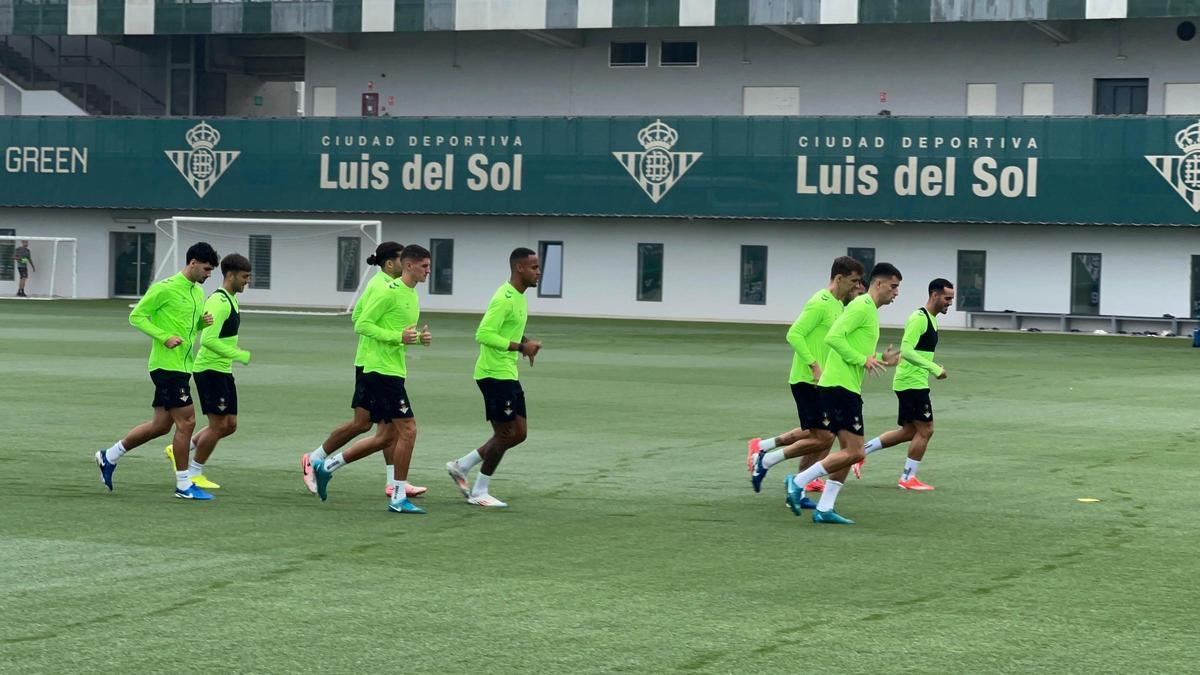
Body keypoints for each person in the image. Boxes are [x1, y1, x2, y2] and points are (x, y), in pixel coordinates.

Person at [312, 244, 433, 514]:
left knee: (386, 436)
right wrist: (397, 337)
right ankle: (398, 497)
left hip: (395, 370)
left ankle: (327, 467)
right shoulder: (387, 291)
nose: (429, 270)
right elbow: (362, 323)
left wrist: (415, 339)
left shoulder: (412, 295)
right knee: (408, 430)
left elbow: (398, 333)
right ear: (409, 265)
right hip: (380, 371)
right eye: (424, 266)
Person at [95, 242, 218, 500]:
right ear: (192, 262)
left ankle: (109, 456)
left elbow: (186, 330)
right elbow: (136, 316)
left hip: (182, 366)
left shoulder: (197, 293)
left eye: (211, 271)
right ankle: (184, 485)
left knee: (161, 426)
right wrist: (163, 337)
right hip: (165, 366)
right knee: (187, 422)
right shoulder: (165, 288)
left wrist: (200, 324)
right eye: (206, 269)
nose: (209, 275)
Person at [783, 262, 903, 525]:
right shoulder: (861, 307)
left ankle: (825, 508)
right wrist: (863, 360)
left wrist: (881, 358)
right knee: (855, 452)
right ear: (879, 284)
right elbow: (833, 337)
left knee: (850, 451)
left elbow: (854, 347)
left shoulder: (868, 310)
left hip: (845, 386)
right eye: (893, 287)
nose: (896, 293)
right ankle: (799, 481)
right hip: (839, 387)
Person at [747, 257, 865, 505]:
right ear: (838, 278)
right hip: (806, 379)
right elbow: (794, 334)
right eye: (853, 281)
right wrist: (813, 365)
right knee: (823, 437)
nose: (856, 286)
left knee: (823, 435)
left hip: (823, 382)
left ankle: (797, 490)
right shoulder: (819, 303)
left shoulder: (838, 305)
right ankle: (765, 459)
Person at [445, 247, 542, 508]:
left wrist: (525, 341)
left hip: (507, 373)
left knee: (518, 433)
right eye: (534, 267)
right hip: (493, 374)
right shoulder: (505, 297)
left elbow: (507, 329)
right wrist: (521, 348)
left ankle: (461, 466)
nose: (539, 272)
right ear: (519, 268)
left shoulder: (519, 297)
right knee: (505, 433)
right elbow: (484, 334)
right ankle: (480, 490)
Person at [853, 278, 954, 490]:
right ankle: (908, 478)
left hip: (912, 382)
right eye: (947, 298)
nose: (949, 303)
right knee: (926, 430)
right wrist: (934, 369)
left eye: (951, 299)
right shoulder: (919, 318)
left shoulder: (932, 319)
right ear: (934, 295)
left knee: (909, 432)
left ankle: (860, 452)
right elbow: (907, 351)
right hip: (911, 383)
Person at [163, 253, 253, 489]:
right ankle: (194, 472)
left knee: (230, 425)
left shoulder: (232, 299)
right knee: (219, 425)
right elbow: (208, 340)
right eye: (244, 277)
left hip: (222, 370)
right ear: (231, 275)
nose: (247, 281)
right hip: (210, 370)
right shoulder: (218, 302)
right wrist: (239, 355)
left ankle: (181, 448)